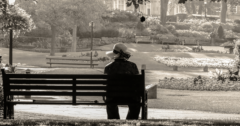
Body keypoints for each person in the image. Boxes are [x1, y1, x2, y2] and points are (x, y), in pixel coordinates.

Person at [104, 43, 140, 120]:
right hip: (131, 97)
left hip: (113, 97)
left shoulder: (108, 67)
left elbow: (106, 84)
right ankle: (131, 120)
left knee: (110, 101)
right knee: (136, 103)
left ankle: (114, 120)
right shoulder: (132, 66)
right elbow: (137, 83)